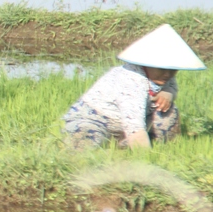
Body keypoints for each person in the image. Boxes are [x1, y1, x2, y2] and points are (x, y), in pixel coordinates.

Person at [63, 24, 205, 149]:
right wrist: (146, 160)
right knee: (87, 142)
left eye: (173, 69)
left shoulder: (163, 76)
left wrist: (168, 93)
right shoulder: (130, 82)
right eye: (162, 69)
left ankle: (155, 146)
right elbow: (134, 126)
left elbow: (172, 87)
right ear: (146, 63)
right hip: (95, 120)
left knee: (169, 109)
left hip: (129, 123)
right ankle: (122, 145)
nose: (168, 74)